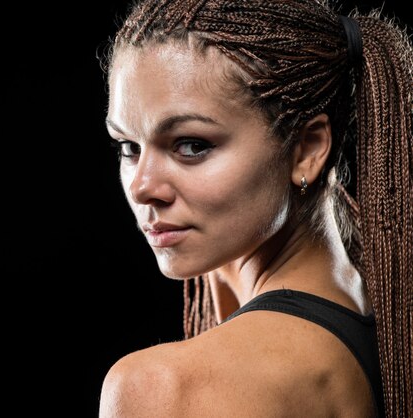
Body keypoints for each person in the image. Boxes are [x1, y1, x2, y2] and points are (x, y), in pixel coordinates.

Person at [98, 0, 412, 416]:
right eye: (128, 148)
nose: (141, 187)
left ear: (308, 149)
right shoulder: (386, 318)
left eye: (192, 145)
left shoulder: (162, 389)